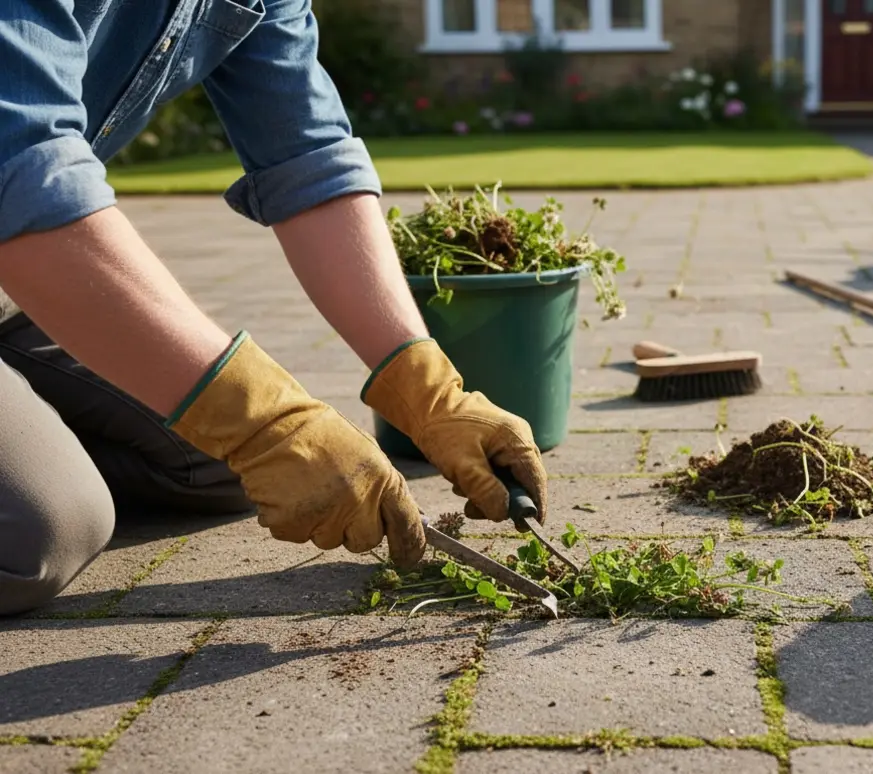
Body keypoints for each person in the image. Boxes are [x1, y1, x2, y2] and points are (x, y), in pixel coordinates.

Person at [0, 0, 549, 616]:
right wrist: (267, 422)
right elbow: (20, 163)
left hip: (16, 276)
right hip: (26, 245)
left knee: (222, 465)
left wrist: (427, 390)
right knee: (40, 536)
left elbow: (308, 158)